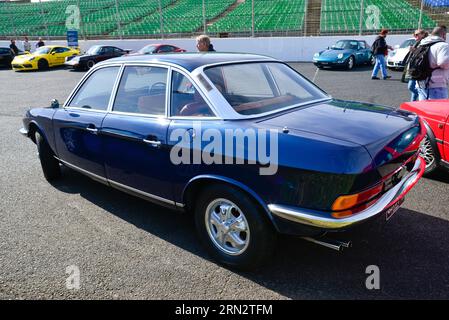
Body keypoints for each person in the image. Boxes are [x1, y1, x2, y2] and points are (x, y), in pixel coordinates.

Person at [416, 26, 449, 101]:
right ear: (444, 35)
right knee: (439, 111)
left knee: (424, 111)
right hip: (436, 84)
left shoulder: (422, 44)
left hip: (421, 83)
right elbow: (444, 63)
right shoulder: (443, 45)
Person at [404, 29, 428, 101]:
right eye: (414, 34)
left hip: (419, 69)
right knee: (413, 87)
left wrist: (414, 50)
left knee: (411, 86)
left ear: (423, 35)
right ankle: (413, 104)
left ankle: (420, 96)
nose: (415, 36)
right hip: (414, 67)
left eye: (417, 34)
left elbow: (423, 55)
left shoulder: (425, 42)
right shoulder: (417, 42)